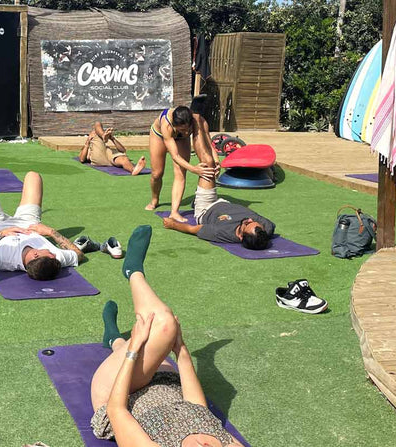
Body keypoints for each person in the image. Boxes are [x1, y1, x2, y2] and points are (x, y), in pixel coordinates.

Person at [90, 226, 243, 447]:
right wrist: (180, 349)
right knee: (163, 343)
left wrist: (135, 347)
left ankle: (133, 271)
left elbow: (116, 410)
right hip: (168, 382)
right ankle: (113, 338)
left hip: (117, 391)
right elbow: (198, 409)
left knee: (163, 326)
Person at [0, 170, 86, 280]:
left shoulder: (2, 259)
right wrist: (51, 232)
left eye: (51, 254)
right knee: (33, 176)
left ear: (35, 255)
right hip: (29, 223)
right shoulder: (53, 259)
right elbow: (79, 255)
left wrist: (1, 234)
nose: (54, 253)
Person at [160, 132, 274, 250]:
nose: (250, 220)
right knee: (211, 165)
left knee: (208, 162)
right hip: (223, 203)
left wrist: (173, 225)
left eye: (247, 224)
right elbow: (269, 227)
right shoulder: (265, 228)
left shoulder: (222, 233)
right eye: (253, 221)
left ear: (240, 236)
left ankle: (196, 129)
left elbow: (194, 229)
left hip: (206, 208)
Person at [146, 104, 218, 223]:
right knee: (157, 174)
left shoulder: (196, 120)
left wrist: (216, 161)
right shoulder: (167, 125)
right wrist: (194, 169)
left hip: (180, 140)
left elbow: (209, 143)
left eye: (188, 129)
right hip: (158, 136)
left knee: (180, 173)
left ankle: (174, 212)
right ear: (175, 125)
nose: (186, 133)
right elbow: (175, 156)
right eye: (182, 130)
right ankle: (154, 199)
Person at [78, 122, 146, 175]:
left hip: (109, 155)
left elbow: (123, 150)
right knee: (97, 124)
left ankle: (133, 170)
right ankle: (103, 135)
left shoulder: (105, 147)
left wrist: (112, 138)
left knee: (124, 159)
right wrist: (87, 142)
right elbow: (81, 159)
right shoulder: (90, 148)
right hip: (99, 157)